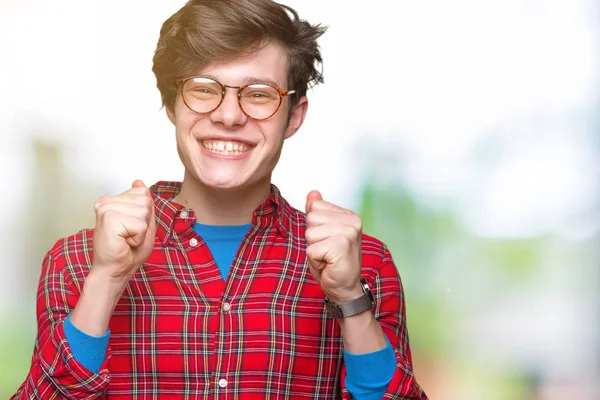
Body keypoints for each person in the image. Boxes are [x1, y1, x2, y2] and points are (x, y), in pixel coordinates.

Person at [12, 0, 427, 398]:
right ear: (171, 104)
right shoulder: (77, 262)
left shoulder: (364, 266)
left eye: (260, 94)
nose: (229, 116)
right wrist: (105, 280)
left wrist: (350, 299)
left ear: (294, 116)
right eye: (204, 89)